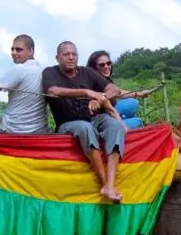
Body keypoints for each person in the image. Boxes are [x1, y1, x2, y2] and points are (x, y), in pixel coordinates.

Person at [42, 41, 127, 203]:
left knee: (115, 126)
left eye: (74, 54)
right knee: (85, 128)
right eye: (66, 54)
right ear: (58, 57)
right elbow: (53, 91)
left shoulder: (87, 72)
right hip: (68, 123)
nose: (71, 57)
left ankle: (110, 185)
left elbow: (114, 89)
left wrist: (101, 97)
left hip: (94, 117)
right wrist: (88, 92)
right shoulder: (50, 72)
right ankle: (104, 183)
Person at [0, 34, 49, 134]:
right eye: (12, 49)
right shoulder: (42, 71)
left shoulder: (19, 69)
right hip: (40, 130)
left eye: (19, 49)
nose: (13, 53)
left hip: (13, 129)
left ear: (31, 51)